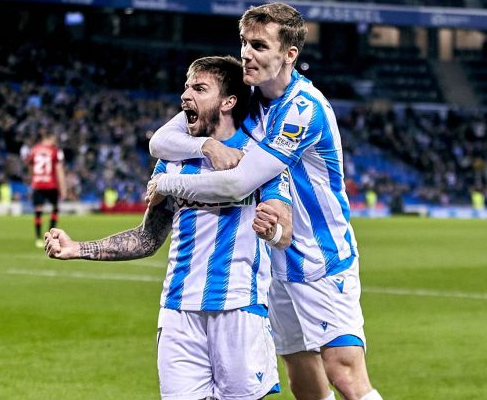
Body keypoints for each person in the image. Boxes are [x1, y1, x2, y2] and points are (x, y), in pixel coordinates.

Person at [148, 4, 383, 400]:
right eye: (243, 42)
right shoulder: (243, 95)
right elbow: (160, 140)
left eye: (259, 45)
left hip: (319, 257)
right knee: (302, 378)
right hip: (270, 259)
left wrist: (167, 183)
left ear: (289, 53)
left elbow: (237, 184)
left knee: (344, 374)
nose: (246, 53)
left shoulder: (303, 110)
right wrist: (205, 143)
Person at [45, 56, 292, 400]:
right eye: (186, 86)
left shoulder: (259, 158)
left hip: (237, 308)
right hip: (177, 311)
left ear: (228, 101)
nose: (186, 95)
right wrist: (79, 249)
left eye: (199, 88)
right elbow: (148, 238)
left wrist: (272, 233)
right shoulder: (173, 159)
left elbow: (286, 235)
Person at [25, 129, 67, 248]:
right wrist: (63, 188)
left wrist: (33, 177)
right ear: (51, 138)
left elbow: (29, 165)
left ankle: (38, 238)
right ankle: (51, 237)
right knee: (55, 209)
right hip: (51, 184)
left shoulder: (34, 149)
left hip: (37, 183)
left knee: (38, 211)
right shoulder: (55, 151)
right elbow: (59, 170)